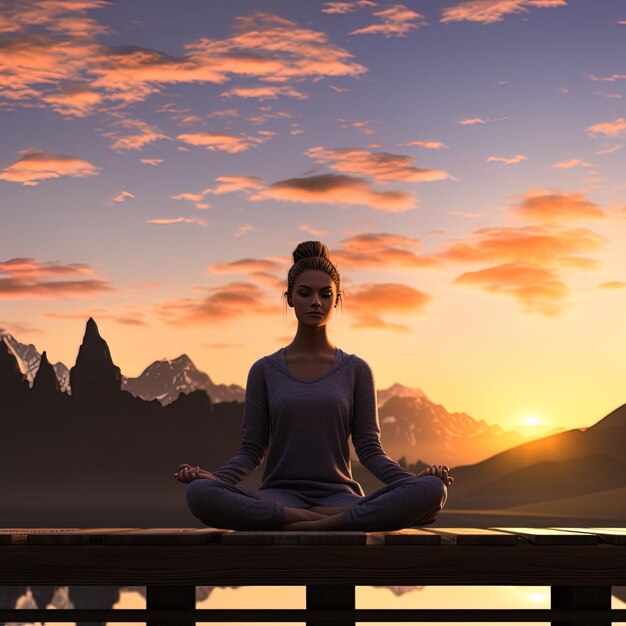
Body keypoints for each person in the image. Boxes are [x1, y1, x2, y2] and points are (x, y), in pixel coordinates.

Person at [175, 241, 453, 531]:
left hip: (340, 498)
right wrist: (215, 481)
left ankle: (304, 522)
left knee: (434, 490)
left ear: (338, 299)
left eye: (325, 294)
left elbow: (370, 450)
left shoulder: (356, 370)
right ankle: (327, 524)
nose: (316, 302)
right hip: (279, 497)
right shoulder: (264, 370)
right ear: (290, 298)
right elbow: (251, 450)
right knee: (199, 493)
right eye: (305, 293)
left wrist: (415, 483)